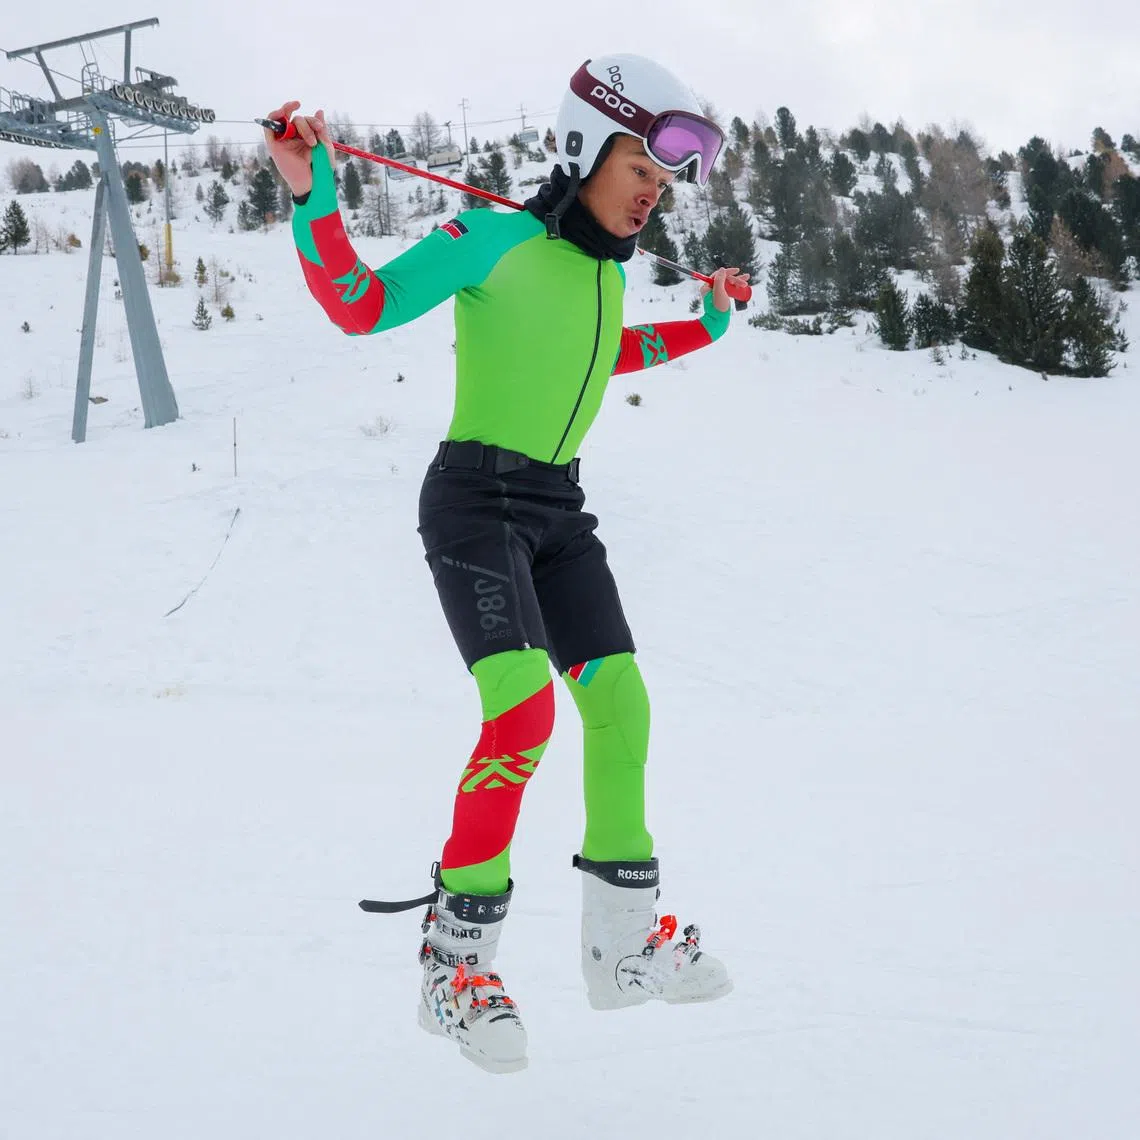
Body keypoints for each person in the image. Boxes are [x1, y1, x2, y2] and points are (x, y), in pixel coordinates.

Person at [265, 53, 750, 1074]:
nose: (650, 200)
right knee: (523, 707)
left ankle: (622, 948)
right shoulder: (492, 238)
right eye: (638, 172)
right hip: (474, 503)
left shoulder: (603, 277)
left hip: (559, 512)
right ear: (581, 147)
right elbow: (356, 302)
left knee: (621, 701)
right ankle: (455, 967)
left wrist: (706, 323)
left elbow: (606, 352)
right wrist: (313, 196)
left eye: (663, 187)